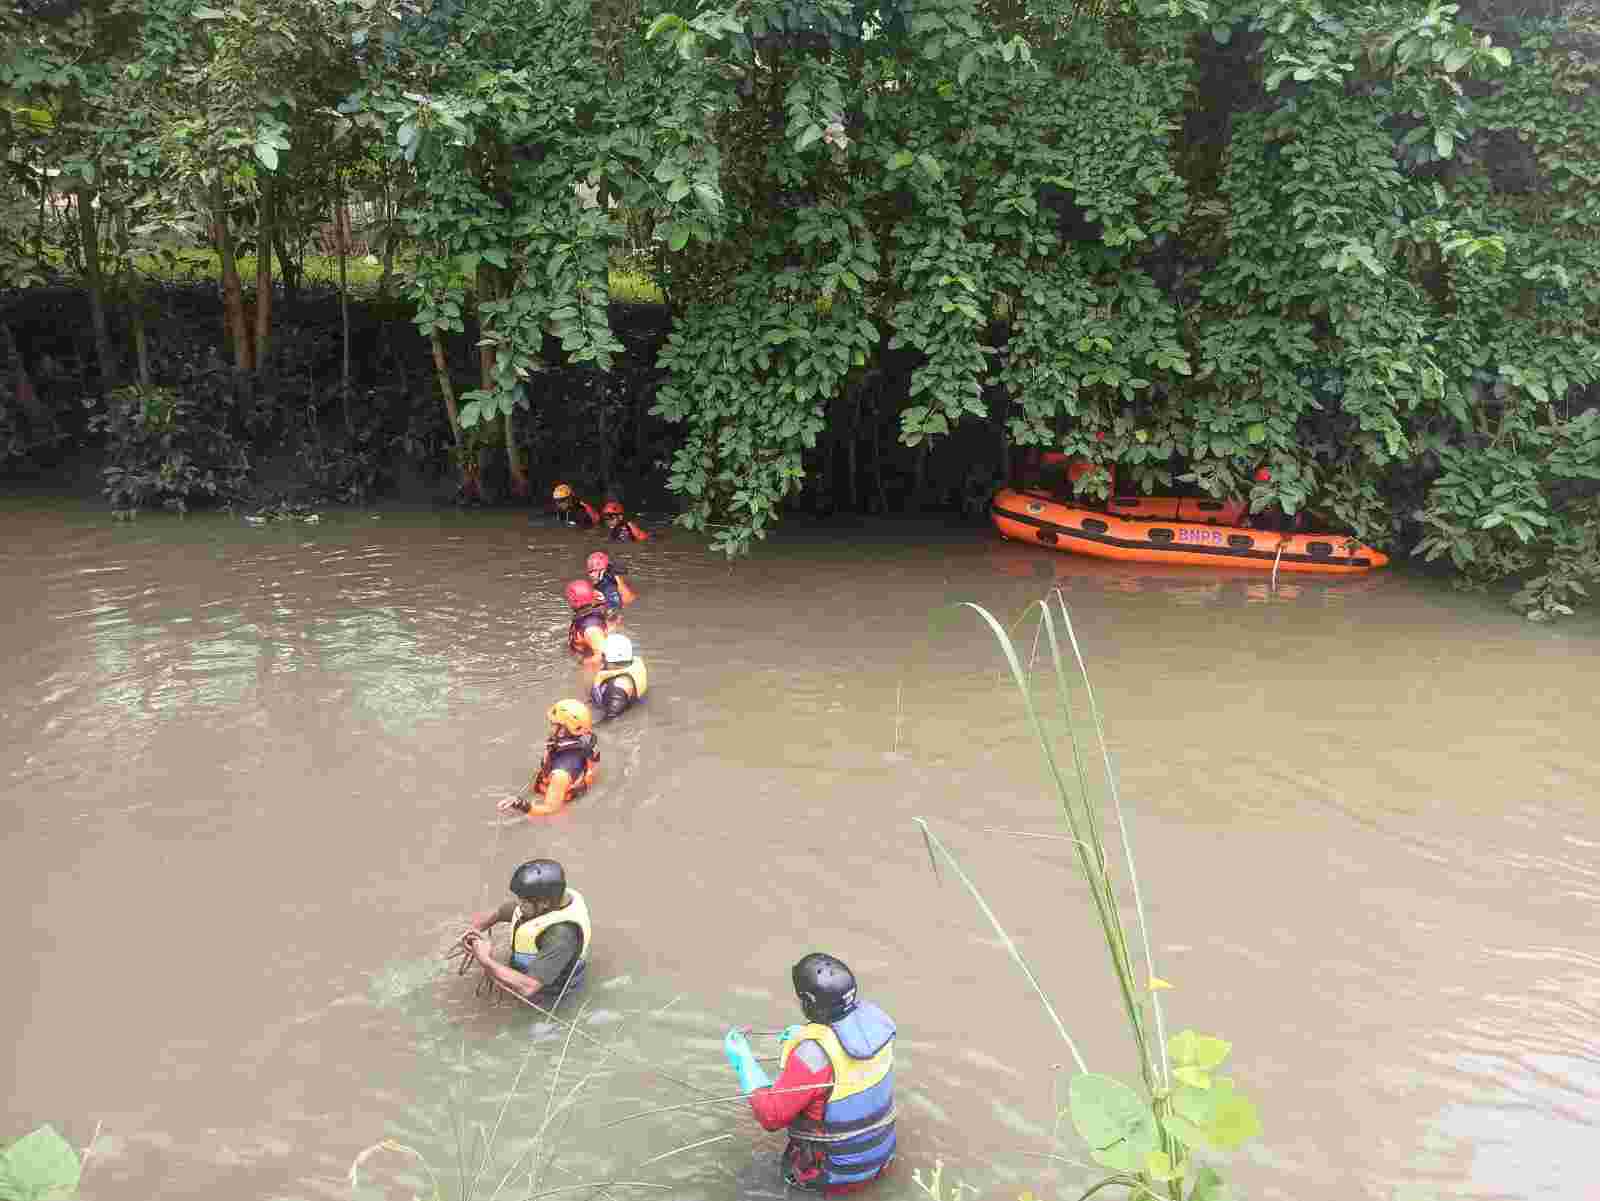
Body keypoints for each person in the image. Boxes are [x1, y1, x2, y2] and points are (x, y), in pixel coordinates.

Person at [723, 954, 897, 1194]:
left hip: (831, 1179)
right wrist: (802, 1036)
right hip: (879, 1163)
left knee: (740, 1183)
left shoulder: (812, 1056)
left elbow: (770, 1117)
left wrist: (744, 1061)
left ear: (807, 1001)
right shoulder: (877, 1028)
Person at [459, 858, 592, 1005]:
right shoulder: (546, 900)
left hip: (548, 996)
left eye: (523, 902)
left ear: (544, 903)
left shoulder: (561, 936)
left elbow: (528, 987)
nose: (518, 905)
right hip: (531, 974)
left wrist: (484, 958)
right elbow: (500, 912)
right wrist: (475, 930)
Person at [497, 700, 599, 817]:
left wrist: (520, 804)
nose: (551, 727)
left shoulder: (560, 775)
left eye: (553, 724)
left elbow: (550, 810)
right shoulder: (579, 742)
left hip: (559, 808)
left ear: (562, 731)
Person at [589, 633, 648, 721]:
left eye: (603, 655)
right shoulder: (635, 663)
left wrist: (597, 684)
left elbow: (610, 721)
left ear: (608, 658)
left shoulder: (617, 688)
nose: (601, 658)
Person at [565, 578, 610, 664]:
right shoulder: (586, 616)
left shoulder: (591, 628)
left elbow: (602, 656)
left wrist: (581, 663)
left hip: (588, 665)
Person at [586, 551, 636, 622]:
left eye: (595, 571)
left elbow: (614, 611)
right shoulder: (606, 580)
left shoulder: (608, 588)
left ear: (603, 570)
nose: (592, 575)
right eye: (590, 571)